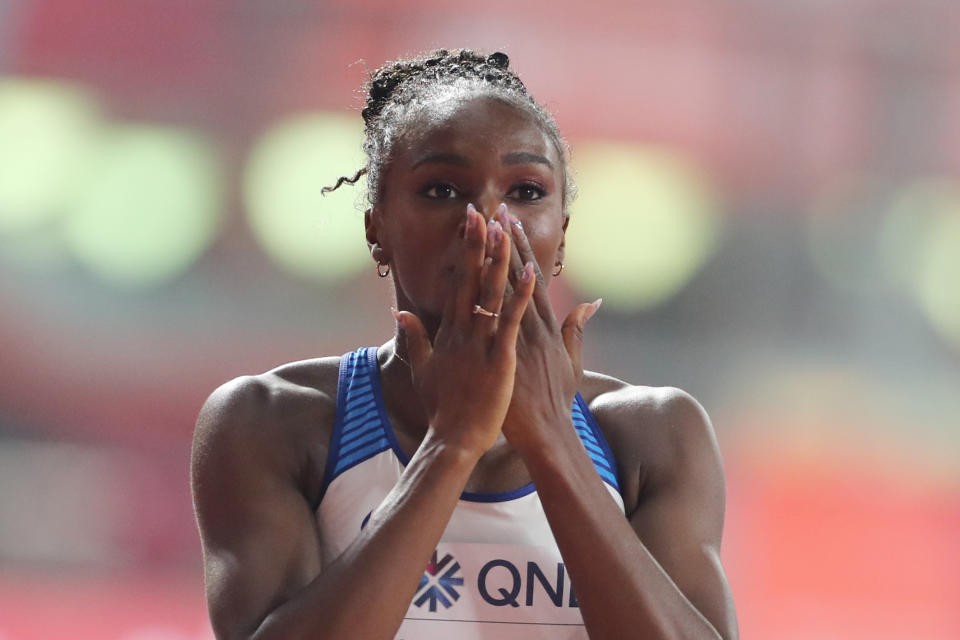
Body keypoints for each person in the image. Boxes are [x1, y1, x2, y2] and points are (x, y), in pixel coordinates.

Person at [191, 48, 738, 640]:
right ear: (377, 227)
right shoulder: (271, 418)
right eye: (441, 190)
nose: (487, 219)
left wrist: (552, 436)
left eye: (527, 190)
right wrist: (450, 445)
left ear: (563, 230)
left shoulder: (652, 434)